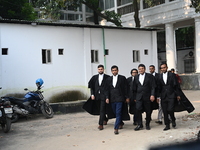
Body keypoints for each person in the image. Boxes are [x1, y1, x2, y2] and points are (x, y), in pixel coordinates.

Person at [105, 65, 129, 135]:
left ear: (118, 71)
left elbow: (126, 88)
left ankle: (116, 128)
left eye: (115, 70)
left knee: (118, 112)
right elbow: (106, 89)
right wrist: (107, 97)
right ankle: (120, 122)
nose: (114, 71)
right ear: (111, 71)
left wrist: (127, 97)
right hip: (112, 99)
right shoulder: (109, 79)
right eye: (113, 70)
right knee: (115, 112)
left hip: (120, 98)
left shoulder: (122, 78)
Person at [157, 63, 181, 131]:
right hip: (163, 96)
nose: (163, 69)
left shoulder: (172, 75)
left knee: (170, 109)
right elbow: (158, 87)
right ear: (160, 69)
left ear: (167, 68)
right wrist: (158, 97)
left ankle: (173, 120)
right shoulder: (159, 76)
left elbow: (176, 85)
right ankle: (167, 125)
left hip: (171, 95)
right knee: (165, 111)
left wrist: (178, 94)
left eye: (164, 67)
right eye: (161, 68)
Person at [132, 64, 156, 131]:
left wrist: (152, 95)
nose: (141, 70)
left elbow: (153, 87)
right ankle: (140, 124)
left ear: (145, 69)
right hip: (139, 97)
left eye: (142, 68)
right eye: (139, 69)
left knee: (148, 111)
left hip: (147, 96)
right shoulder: (136, 77)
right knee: (138, 110)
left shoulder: (150, 76)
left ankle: (147, 124)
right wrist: (134, 97)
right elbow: (134, 88)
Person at [88, 64, 110, 130]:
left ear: (103, 70)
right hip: (96, 96)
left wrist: (107, 97)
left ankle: (100, 124)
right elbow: (91, 87)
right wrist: (92, 94)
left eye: (101, 69)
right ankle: (105, 119)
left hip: (104, 96)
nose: (100, 70)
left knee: (102, 109)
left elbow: (108, 88)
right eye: (99, 69)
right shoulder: (94, 77)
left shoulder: (107, 77)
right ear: (97, 70)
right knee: (99, 109)